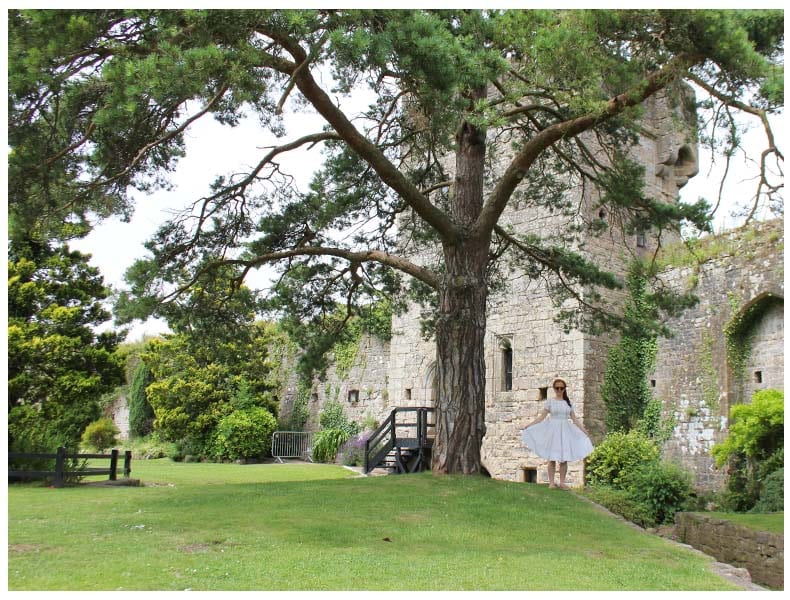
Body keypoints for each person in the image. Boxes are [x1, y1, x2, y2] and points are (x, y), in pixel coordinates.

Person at [521, 378, 593, 489]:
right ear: (554, 389)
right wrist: (530, 425)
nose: (559, 390)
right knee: (552, 457)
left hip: (565, 431)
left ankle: (562, 482)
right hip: (553, 431)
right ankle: (551, 483)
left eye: (561, 388)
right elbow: (542, 417)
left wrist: (584, 430)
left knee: (564, 458)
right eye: (557, 388)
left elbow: (574, 419)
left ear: (564, 389)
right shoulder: (550, 402)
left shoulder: (568, 403)